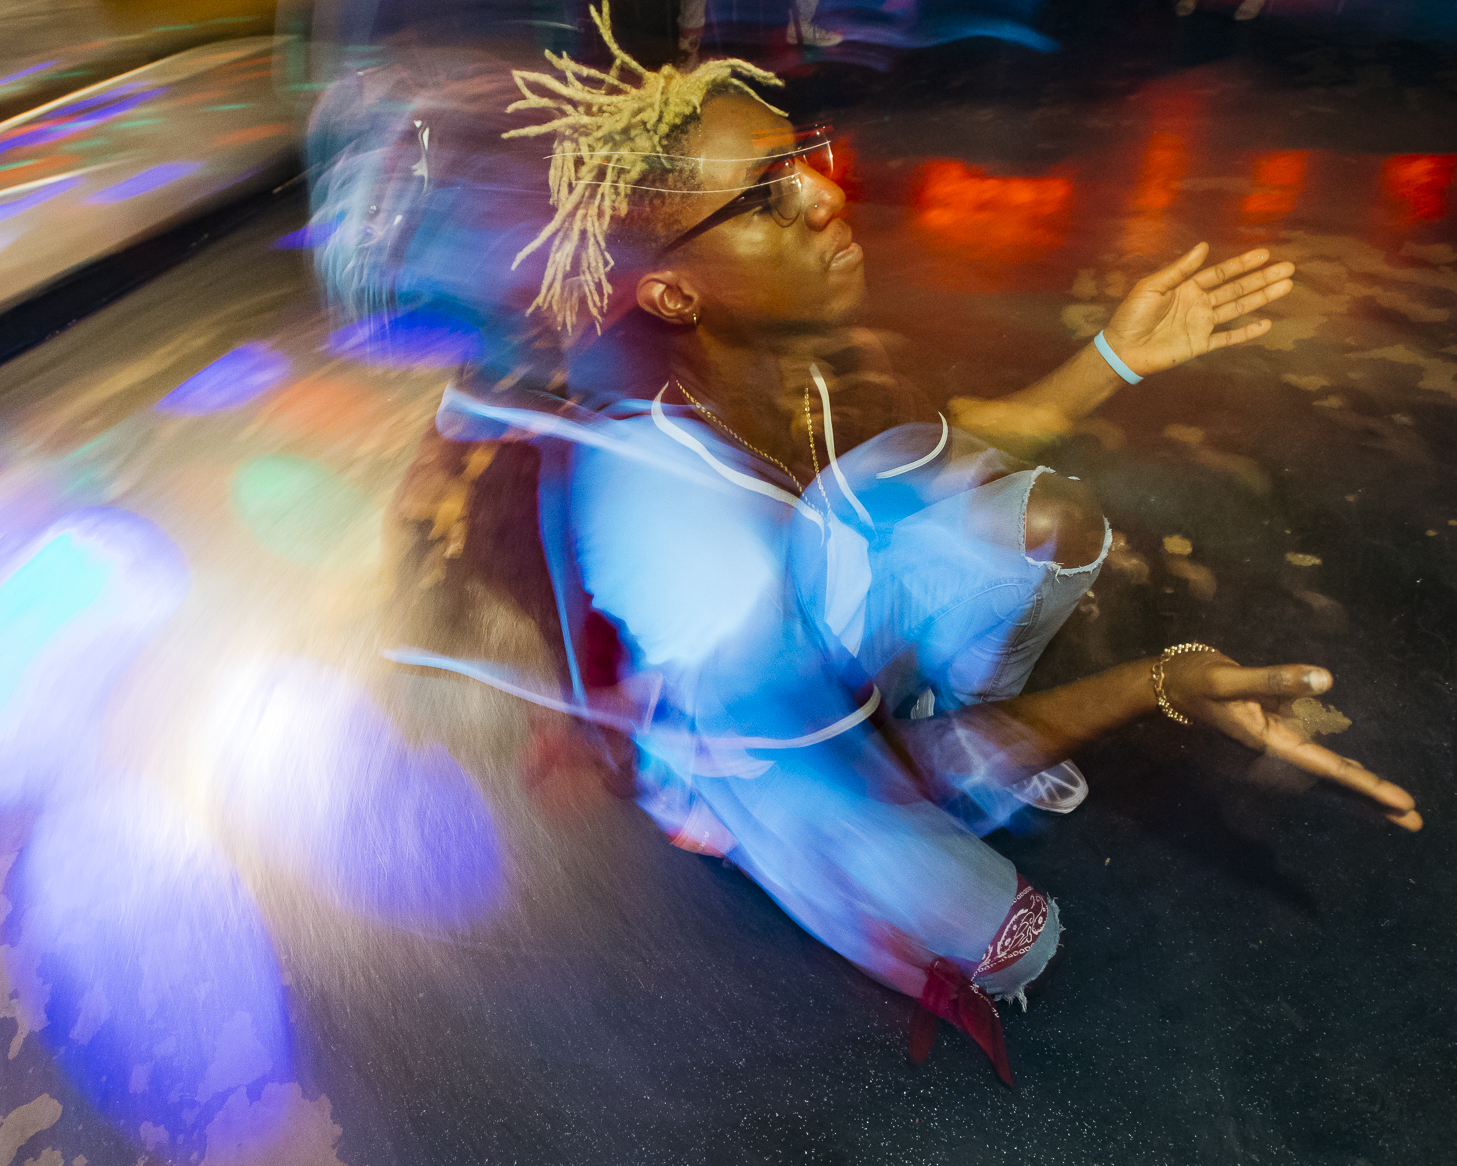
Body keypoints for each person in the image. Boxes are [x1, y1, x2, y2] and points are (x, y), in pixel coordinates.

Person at [398, 3, 1420, 1083]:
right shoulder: (689, 540)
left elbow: (959, 435)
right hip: (754, 731)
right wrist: (1156, 682)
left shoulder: (809, 362)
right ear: (672, 288)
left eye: (804, 158)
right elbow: (897, 771)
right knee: (1016, 941)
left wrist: (1117, 354)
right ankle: (744, 819)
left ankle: (936, 708)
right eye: (765, 197)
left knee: (1035, 516)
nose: (828, 197)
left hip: (793, 632)